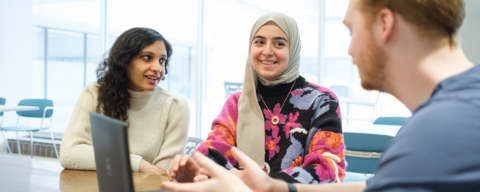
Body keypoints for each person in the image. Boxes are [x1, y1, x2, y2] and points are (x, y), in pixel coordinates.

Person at [161, 0, 480, 191]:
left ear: (385, 24)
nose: (349, 49)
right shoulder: (450, 118)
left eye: (351, 30)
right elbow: (372, 187)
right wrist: (274, 188)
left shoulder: (436, 134)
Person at [168, 13, 345, 184]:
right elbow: (213, 151)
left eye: (279, 43)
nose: (267, 51)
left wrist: (259, 183)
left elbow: (328, 169)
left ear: (293, 50)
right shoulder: (238, 103)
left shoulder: (322, 101)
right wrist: (196, 168)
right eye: (259, 42)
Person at [60, 27, 190, 175]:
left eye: (162, 60)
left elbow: (161, 174)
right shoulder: (94, 94)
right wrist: (138, 163)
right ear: (124, 62)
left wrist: (115, 161)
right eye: (147, 57)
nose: (157, 68)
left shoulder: (176, 106)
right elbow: (69, 154)